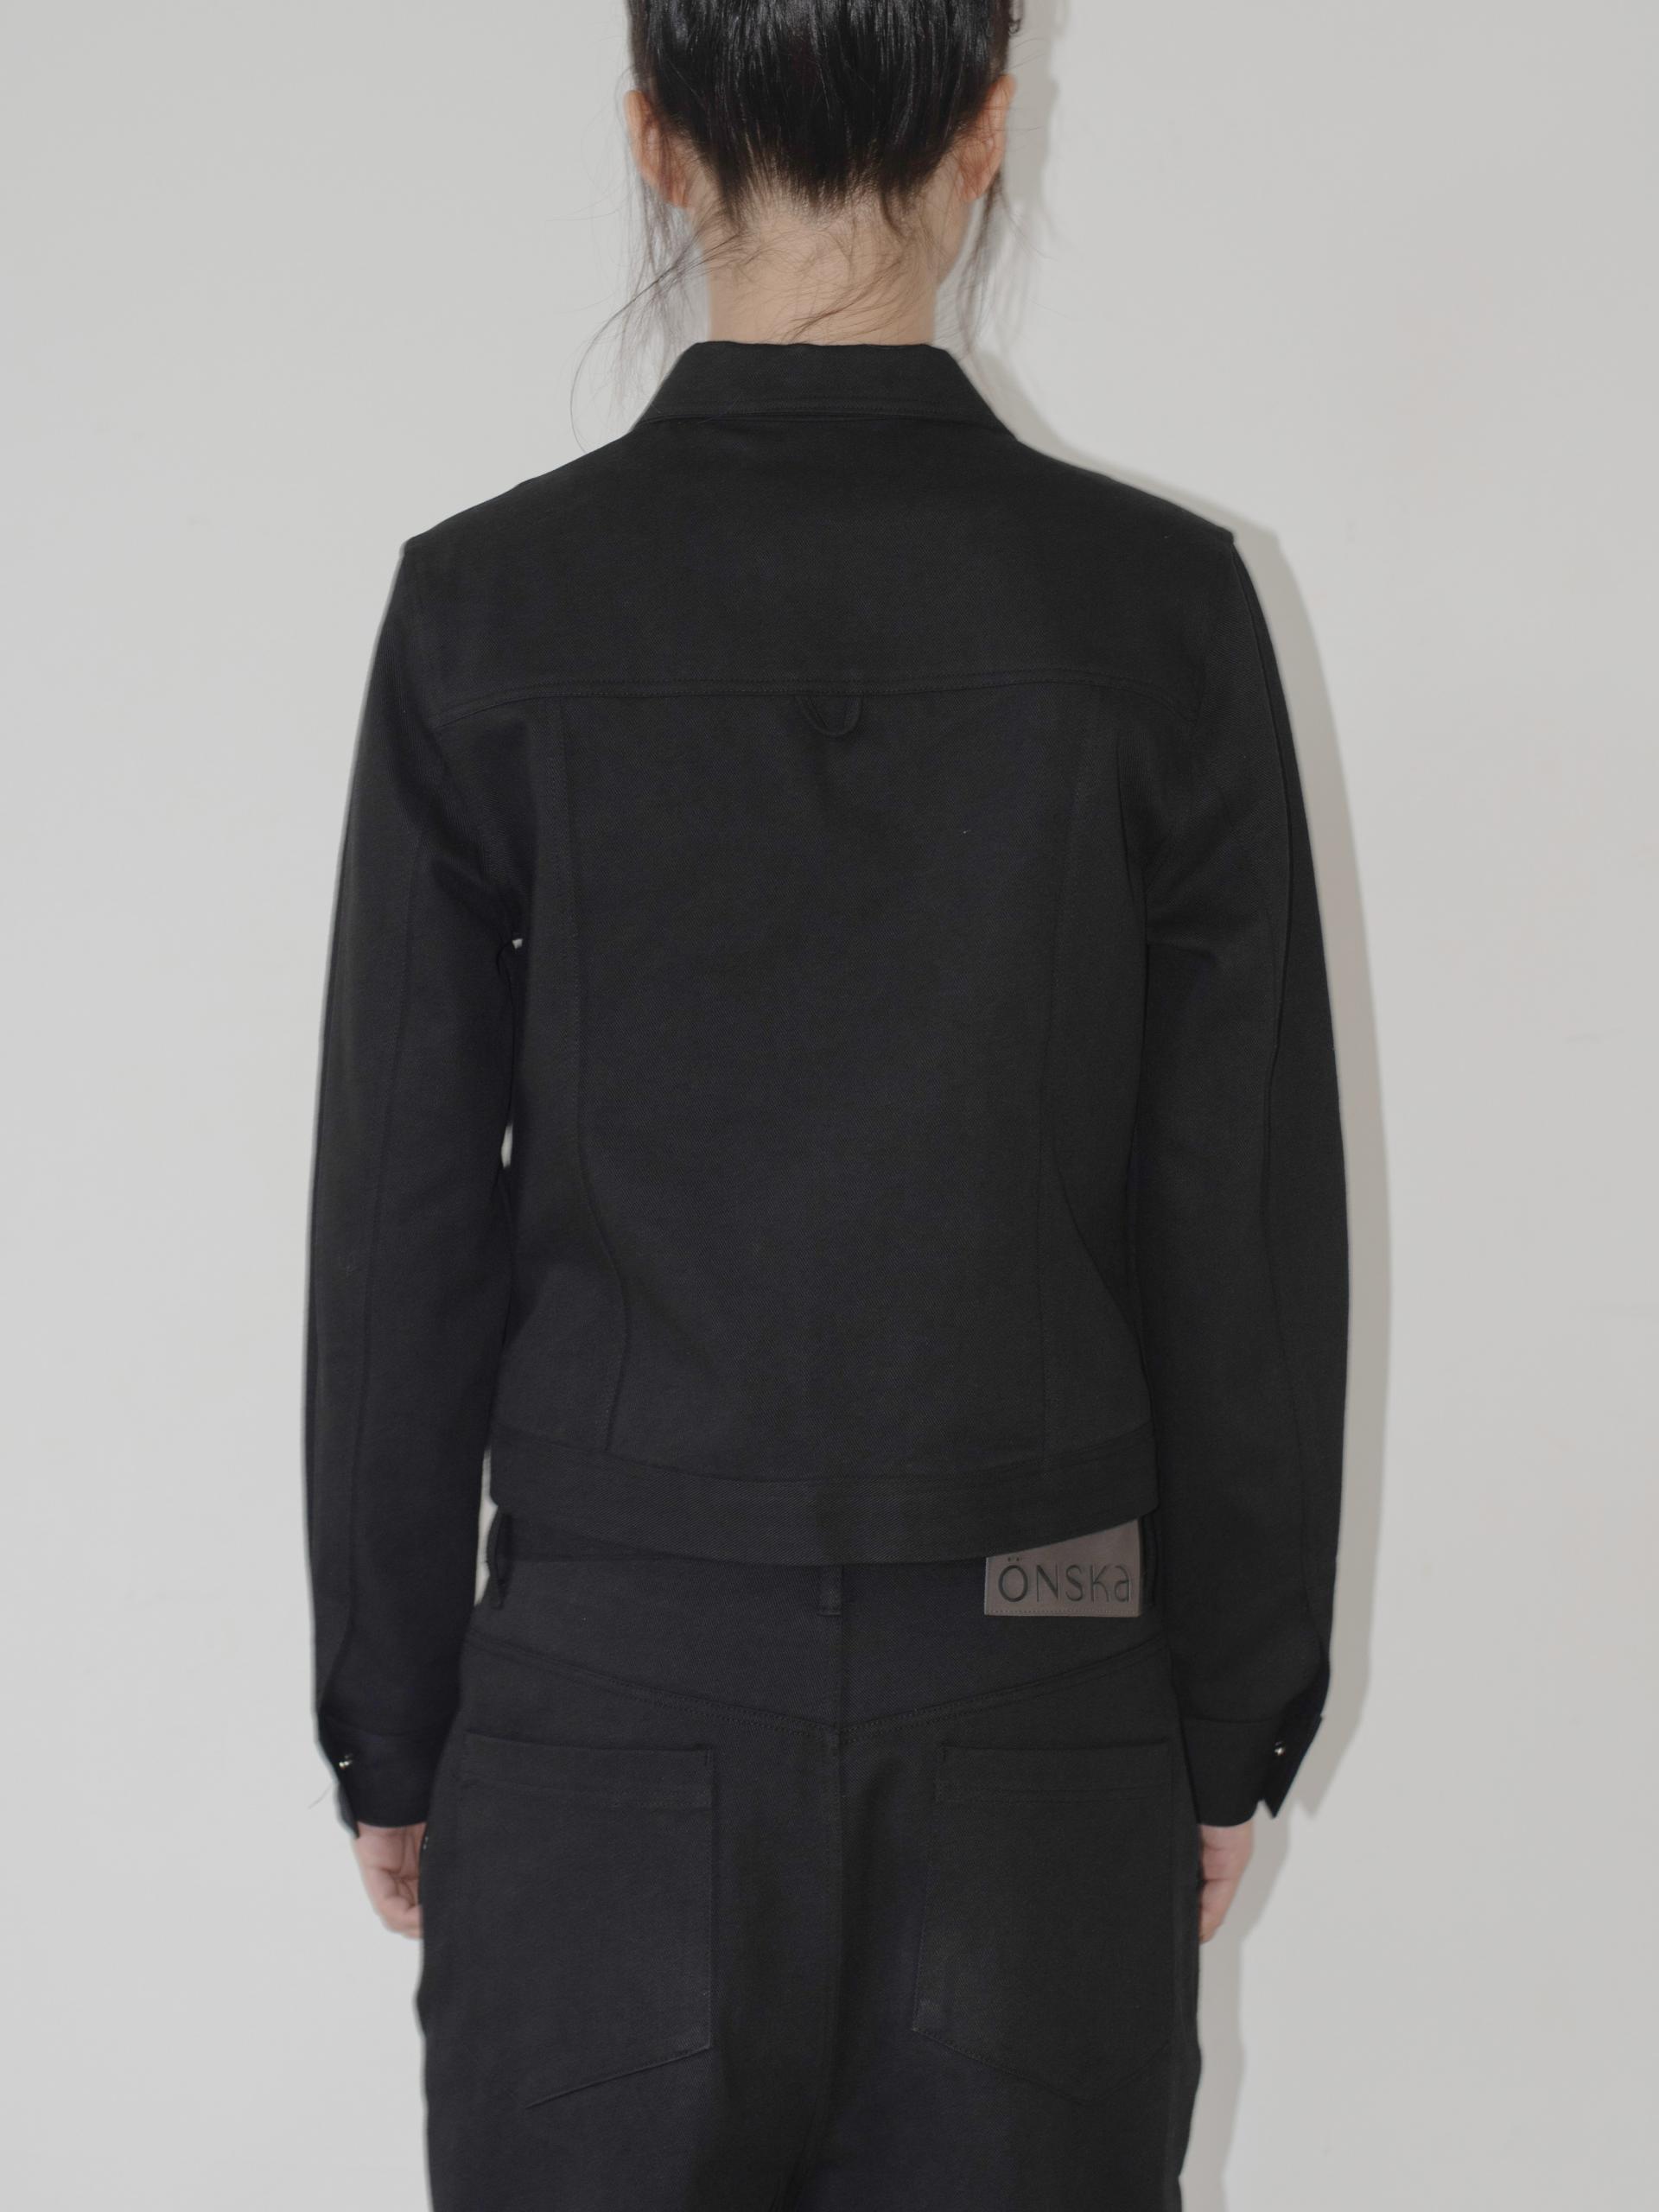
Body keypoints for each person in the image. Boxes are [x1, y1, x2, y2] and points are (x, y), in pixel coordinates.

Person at [302, 3, 1350, 2205]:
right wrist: (1229, 1708)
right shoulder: (1160, 611)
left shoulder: (490, 607)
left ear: (656, 142)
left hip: (602, 1701)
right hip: (1045, 1679)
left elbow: (404, 1217)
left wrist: (392, 1715)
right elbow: (1240, 1216)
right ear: (987, 128)